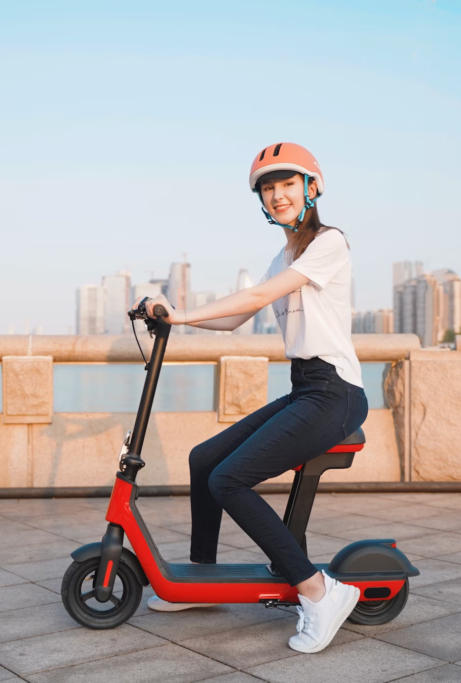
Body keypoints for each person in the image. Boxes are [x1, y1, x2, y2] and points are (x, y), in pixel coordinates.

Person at [143, 142, 368, 654]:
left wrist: (180, 316)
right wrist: (173, 314)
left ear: (312, 189)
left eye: (288, 183)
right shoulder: (281, 256)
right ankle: (200, 581)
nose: (278, 194)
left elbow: (253, 298)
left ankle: (319, 592)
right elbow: (234, 317)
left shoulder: (329, 243)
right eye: (269, 187)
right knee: (206, 460)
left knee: (230, 479)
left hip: (336, 391)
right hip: (306, 386)